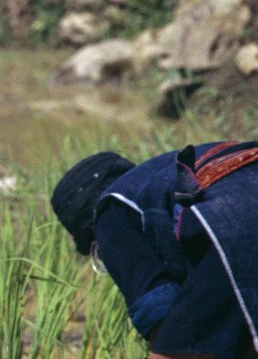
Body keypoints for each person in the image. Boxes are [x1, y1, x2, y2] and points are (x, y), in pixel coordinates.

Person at [51, 141, 258, 359]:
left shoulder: (108, 210)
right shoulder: (160, 180)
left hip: (234, 225)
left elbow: (160, 317)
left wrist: (166, 345)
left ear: (91, 228)